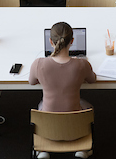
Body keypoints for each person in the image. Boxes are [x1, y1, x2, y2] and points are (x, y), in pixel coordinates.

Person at [29, 22, 96, 159]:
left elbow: (31, 82)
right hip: (76, 128)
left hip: (48, 129)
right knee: (89, 107)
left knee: (41, 106)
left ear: (50, 42)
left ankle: (43, 151)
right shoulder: (82, 64)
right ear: (72, 41)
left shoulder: (38, 64)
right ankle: (82, 149)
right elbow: (92, 79)